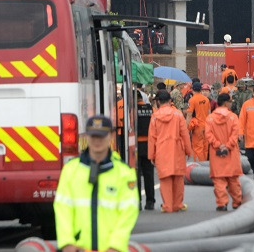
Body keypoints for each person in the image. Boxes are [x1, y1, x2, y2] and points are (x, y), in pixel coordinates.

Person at [54, 116, 139, 252]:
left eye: (101, 136)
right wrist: (67, 242)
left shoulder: (124, 173)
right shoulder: (70, 170)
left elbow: (129, 212)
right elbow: (62, 209)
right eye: (93, 136)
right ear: (86, 136)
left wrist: (116, 245)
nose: (97, 141)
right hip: (78, 249)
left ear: (111, 136)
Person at [148, 90, 194, 212]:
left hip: (161, 151)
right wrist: (189, 151)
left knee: (165, 179)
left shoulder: (155, 117)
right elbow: (185, 134)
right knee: (178, 178)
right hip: (177, 150)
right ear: (170, 101)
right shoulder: (178, 114)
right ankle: (178, 204)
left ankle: (167, 205)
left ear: (158, 101)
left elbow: (152, 138)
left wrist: (151, 155)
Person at [205, 93, 243, 211]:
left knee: (218, 179)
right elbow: (235, 134)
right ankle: (237, 202)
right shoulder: (233, 117)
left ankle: (222, 203)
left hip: (216, 153)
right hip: (231, 153)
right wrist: (227, 146)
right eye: (230, 102)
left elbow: (208, 135)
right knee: (233, 179)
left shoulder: (210, 118)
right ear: (226, 103)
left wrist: (218, 145)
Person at [136, 90, 155, 211]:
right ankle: (150, 202)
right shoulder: (151, 109)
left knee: (136, 175)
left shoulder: (131, 108)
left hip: (135, 145)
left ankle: (137, 201)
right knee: (149, 174)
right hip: (148, 145)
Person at [186, 82, 211, 161]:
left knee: (197, 148)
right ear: (200, 89)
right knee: (205, 147)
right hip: (206, 126)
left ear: (192, 89)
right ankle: (205, 164)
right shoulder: (206, 99)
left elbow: (189, 115)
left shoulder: (192, 100)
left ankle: (200, 166)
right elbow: (209, 113)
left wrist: (186, 128)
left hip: (197, 127)